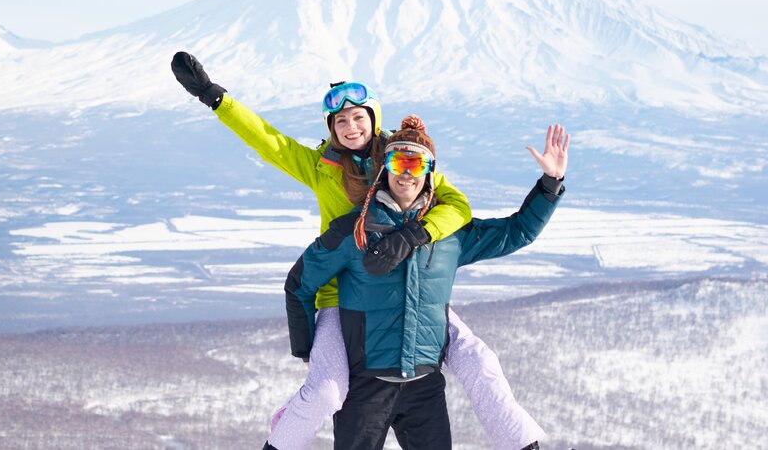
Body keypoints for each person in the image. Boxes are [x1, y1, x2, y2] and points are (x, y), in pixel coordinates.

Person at [169, 52, 546, 450]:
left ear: (374, 118)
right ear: (331, 128)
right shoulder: (321, 168)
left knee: (480, 362)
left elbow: (457, 207)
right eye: (341, 121)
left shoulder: (405, 157)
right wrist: (215, 98)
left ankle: (524, 442)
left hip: (412, 291)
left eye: (359, 117)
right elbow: (269, 141)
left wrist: (417, 234)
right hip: (343, 297)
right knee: (324, 393)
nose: (351, 127)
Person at [287, 115, 567, 450]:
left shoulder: (449, 238)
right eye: (397, 160)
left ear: (429, 171)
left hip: (424, 389)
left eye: (416, 163)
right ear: (384, 168)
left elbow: (518, 231)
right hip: (364, 390)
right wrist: (307, 347)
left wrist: (551, 182)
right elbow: (300, 284)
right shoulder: (354, 232)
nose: (406, 172)